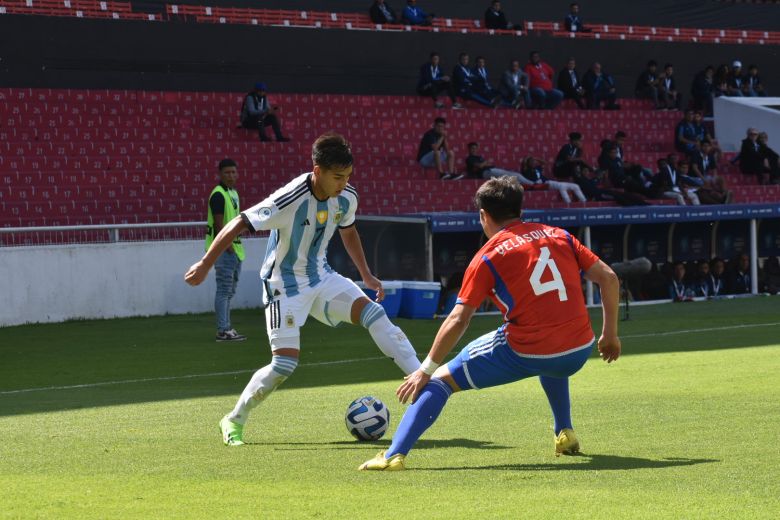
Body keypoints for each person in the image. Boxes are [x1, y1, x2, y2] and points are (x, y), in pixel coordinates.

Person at [358, 176, 621, 471]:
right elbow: (608, 278)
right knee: (551, 356)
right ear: (519, 209)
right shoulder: (560, 235)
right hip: (578, 350)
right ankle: (565, 432)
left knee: (440, 382)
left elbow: (459, 319)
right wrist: (609, 335)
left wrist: (424, 370)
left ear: (483, 215)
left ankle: (394, 455)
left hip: (527, 351)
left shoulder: (488, 256)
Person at [185, 133, 421, 446]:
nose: (343, 184)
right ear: (317, 171)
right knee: (284, 364)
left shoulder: (346, 196)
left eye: (348, 176)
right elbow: (240, 223)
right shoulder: (290, 198)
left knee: (375, 314)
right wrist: (204, 264)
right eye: (337, 177)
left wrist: (367, 274)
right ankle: (233, 419)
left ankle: (424, 384)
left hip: (321, 277)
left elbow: (349, 232)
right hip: (283, 286)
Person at [206, 159, 247, 342]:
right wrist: (227, 244)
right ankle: (223, 330)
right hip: (225, 249)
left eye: (233, 172)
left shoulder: (233, 193)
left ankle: (227, 328)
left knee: (229, 291)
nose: (231, 176)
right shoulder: (218, 195)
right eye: (227, 173)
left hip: (234, 248)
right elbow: (218, 223)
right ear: (220, 174)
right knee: (224, 290)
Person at [521, 156, 587, 203]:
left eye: (534, 161)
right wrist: (527, 159)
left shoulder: (537, 168)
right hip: (542, 184)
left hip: (548, 182)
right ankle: (568, 203)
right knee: (562, 186)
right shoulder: (526, 170)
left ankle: (584, 202)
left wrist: (535, 158)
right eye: (531, 161)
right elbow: (524, 166)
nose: (533, 162)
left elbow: (544, 163)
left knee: (575, 186)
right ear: (527, 163)